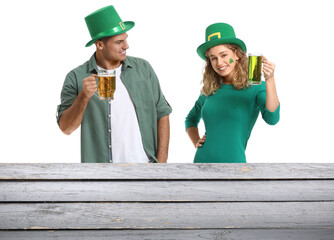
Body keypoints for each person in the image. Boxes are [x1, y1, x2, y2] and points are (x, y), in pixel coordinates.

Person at [56, 5, 172, 163]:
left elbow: (162, 112)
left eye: (126, 39)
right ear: (100, 45)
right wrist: (83, 97)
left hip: (146, 169)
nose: (126, 46)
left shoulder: (143, 69)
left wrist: (162, 163)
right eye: (119, 42)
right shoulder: (76, 77)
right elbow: (66, 128)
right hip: (102, 175)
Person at [185, 23, 280, 163]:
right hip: (200, 164)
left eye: (224, 55)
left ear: (236, 55)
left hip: (234, 167)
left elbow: (272, 119)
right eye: (213, 58)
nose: (219, 63)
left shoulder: (255, 87)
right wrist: (196, 141)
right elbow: (190, 119)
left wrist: (270, 79)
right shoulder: (209, 90)